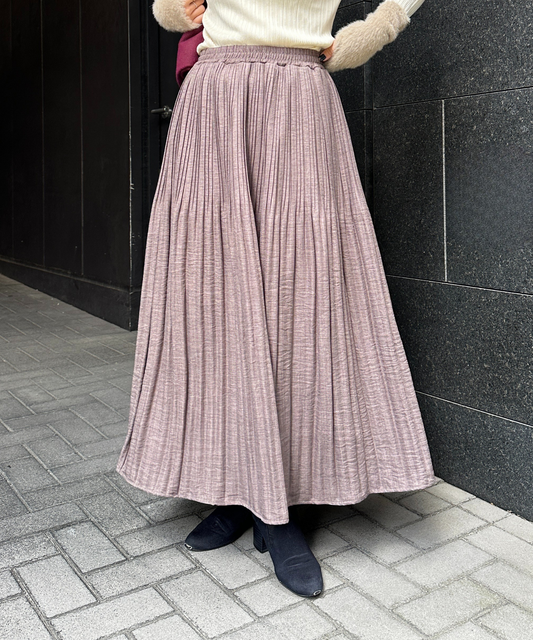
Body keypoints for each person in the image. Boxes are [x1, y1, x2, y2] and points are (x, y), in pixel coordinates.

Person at [116, 0, 436, 598]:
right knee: (214, 297)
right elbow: (168, 9)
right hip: (214, 99)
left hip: (300, 96)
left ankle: (282, 503)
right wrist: (172, 9)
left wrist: (372, 32)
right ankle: (240, 489)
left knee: (301, 296)